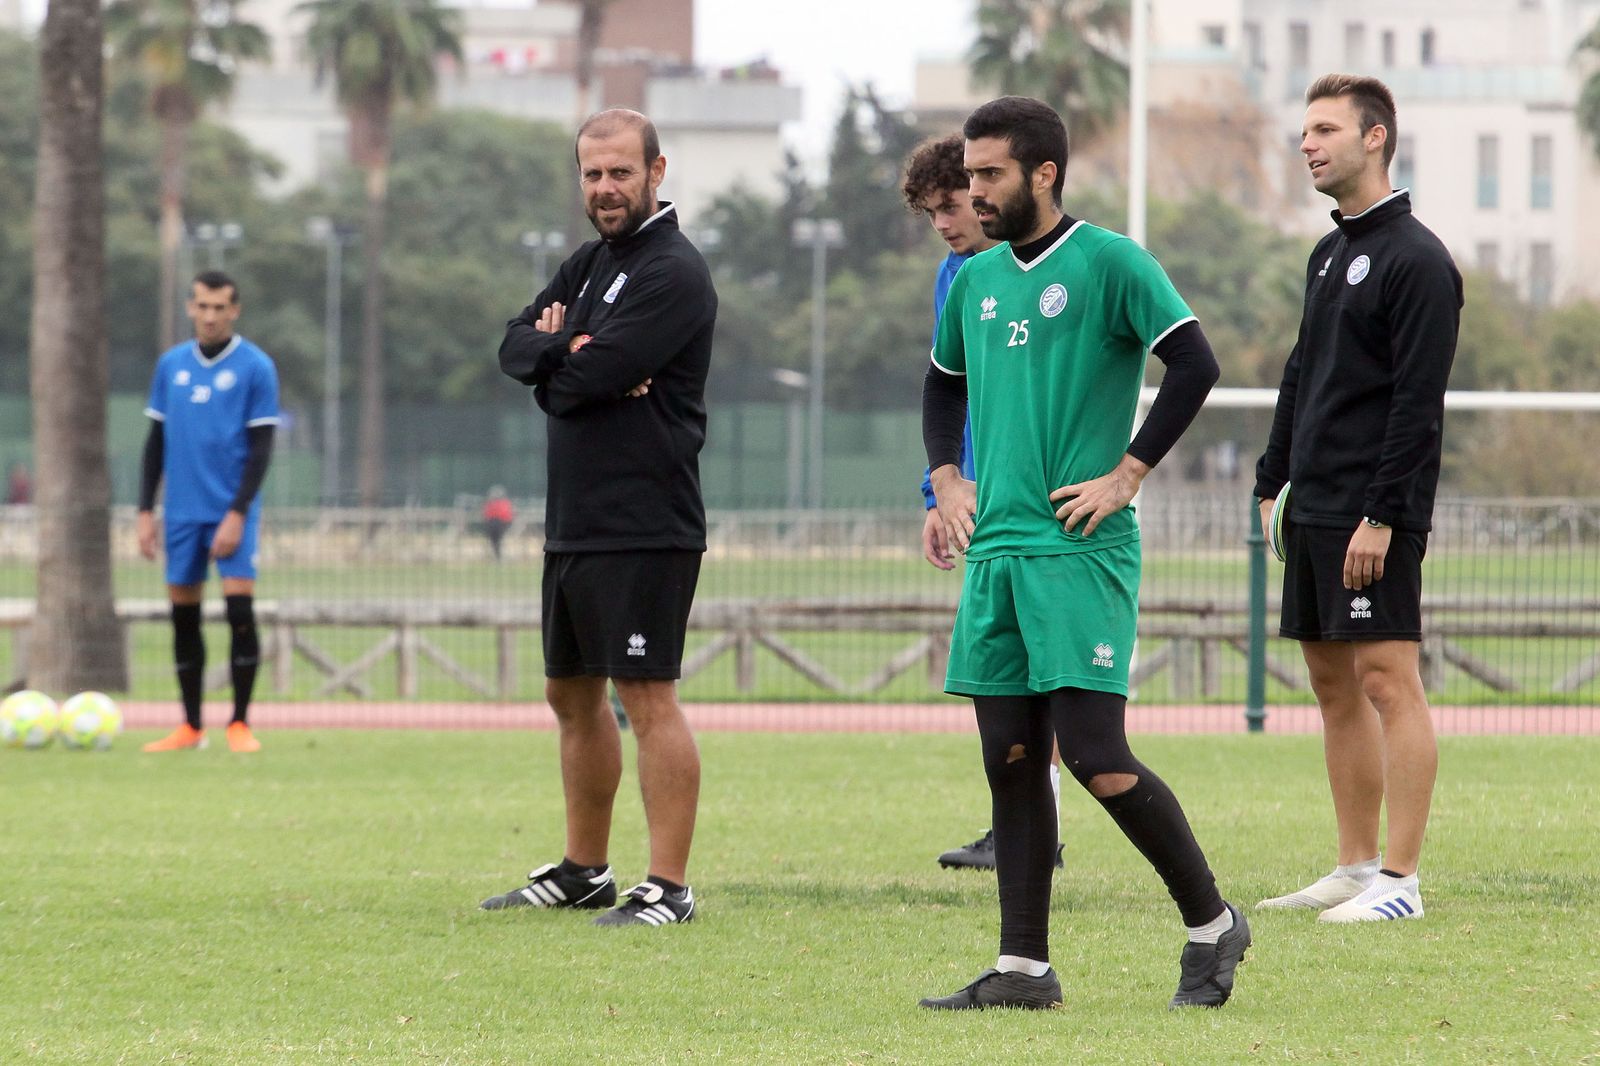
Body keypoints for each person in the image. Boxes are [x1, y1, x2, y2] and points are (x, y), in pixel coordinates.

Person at [919, 96, 1248, 1011]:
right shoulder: (978, 282)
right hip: (997, 555)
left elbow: (1196, 364)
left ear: (1044, 174)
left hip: (1079, 551)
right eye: (970, 175)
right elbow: (941, 388)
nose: (974, 191)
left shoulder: (1110, 263)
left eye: (990, 175)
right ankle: (1023, 969)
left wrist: (1128, 473)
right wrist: (946, 478)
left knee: (1096, 756)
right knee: (1012, 761)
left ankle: (1214, 925)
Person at [485, 108, 717, 928]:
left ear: (658, 171)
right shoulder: (587, 264)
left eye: (621, 172)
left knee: (646, 696)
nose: (605, 188)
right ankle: (586, 869)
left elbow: (593, 373)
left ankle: (670, 886)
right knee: (568, 692)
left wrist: (571, 361)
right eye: (592, 174)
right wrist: (567, 356)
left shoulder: (674, 272)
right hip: (575, 520)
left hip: (645, 518)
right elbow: (516, 348)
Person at [1254, 74, 1461, 923]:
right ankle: (1355, 866)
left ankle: (1401, 884)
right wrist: (1272, 478)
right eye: (1305, 130)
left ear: (1375, 138)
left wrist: (1382, 513)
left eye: (1326, 129)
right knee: (1331, 683)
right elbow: (1304, 372)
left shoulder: (1418, 258)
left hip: (1374, 512)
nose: (1308, 143)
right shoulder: (1328, 251)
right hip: (1314, 504)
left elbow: (1418, 403)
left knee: (1387, 679)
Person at [903, 134, 1065, 873]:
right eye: (932, 210)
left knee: (1048, 670)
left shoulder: (1051, 265)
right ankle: (1023, 829)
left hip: (1043, 505)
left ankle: (1036, 829)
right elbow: (952, 392)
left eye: (953, 203)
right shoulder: (955, 276)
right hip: (980, 501)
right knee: (1005, 673)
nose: (944, 221)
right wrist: (938, 490)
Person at [137, 270, 279, 754]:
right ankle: (191, 727)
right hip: (180, 513)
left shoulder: (256, 367)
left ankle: (239, 724)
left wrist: (238, 513)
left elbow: (261, 450)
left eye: (220, 307)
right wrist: (143, 511)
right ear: (189, 307)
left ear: (234, 310)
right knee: (184, 617)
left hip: (230, 511)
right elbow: (154, 444)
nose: (211, 316)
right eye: (203, 306)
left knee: (240, 610)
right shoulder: (171, 365)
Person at [482, 485, 514, 561]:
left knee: (497, 540)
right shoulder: (490, 504)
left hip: (501, 524)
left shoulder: (504, 503)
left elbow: (507, 517)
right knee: (495, 541)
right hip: (493, 524)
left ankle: (499, 556)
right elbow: (487, 516)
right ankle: (497, 556)